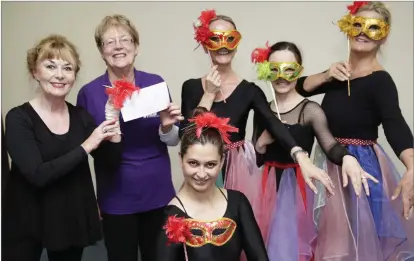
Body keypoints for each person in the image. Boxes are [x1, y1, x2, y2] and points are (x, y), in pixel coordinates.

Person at [179, 9, 335, 209]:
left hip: (236, 174)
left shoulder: (250, 91)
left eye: (229, 39)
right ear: (204, 45)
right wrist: (208, 95)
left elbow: (272, 122)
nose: (223, 46)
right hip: (200, 171)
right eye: (215, 39)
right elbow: (187, 138)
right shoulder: (190, 87)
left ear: (236, 45)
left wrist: (300, 155)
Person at [295, 2, 414, 260]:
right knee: (330, 236)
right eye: (357, 24)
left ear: (384, 35)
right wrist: (328, 74)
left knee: (356, 240)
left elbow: (395, 123)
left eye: (373, 27)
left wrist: (412, 166)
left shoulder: (381, 80)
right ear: (347, 29)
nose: (362, 32)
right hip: (327, 158)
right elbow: (299, 88)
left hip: (359, 165)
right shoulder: (338, 75)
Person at [251, 41, 378, 260]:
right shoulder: (264, 110)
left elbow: (329, 145)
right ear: (266, 71)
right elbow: (258, 158)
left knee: (296, 247)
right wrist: (261, 143)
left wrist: (347, 158)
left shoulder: (309, 110)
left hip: (300, 186)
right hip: (268, 187)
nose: (281, 76)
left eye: (289, 69)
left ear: (298, 71)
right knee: (267, 245)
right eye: (274, 69)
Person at [2, 34, 122, 261]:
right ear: (35, 72)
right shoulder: (18, 118)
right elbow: (37, 174)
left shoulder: (80, 116)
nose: (59, 75)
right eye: (50, 66)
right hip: (26, 220)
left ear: (74, 76)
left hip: (69, 219)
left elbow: (110, 162)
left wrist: (114, 127)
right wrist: (87, 145)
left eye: (68, 68)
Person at [76, 14, 183, 261]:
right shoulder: (89, 93)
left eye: (124, 39)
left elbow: (172, 141)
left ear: (136, 47)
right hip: (116, 196)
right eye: (109, 42)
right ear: (101, 52)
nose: (118, 46)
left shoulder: (154, 83)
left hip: (157, 192)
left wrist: (167, 127)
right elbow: (90, 150)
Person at [155, 107, 269, 261]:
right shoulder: (173, 214)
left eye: (210, 165)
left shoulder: (238, 202)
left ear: (221, 162)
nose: (201, 174)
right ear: (181, 160)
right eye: (193, 163)